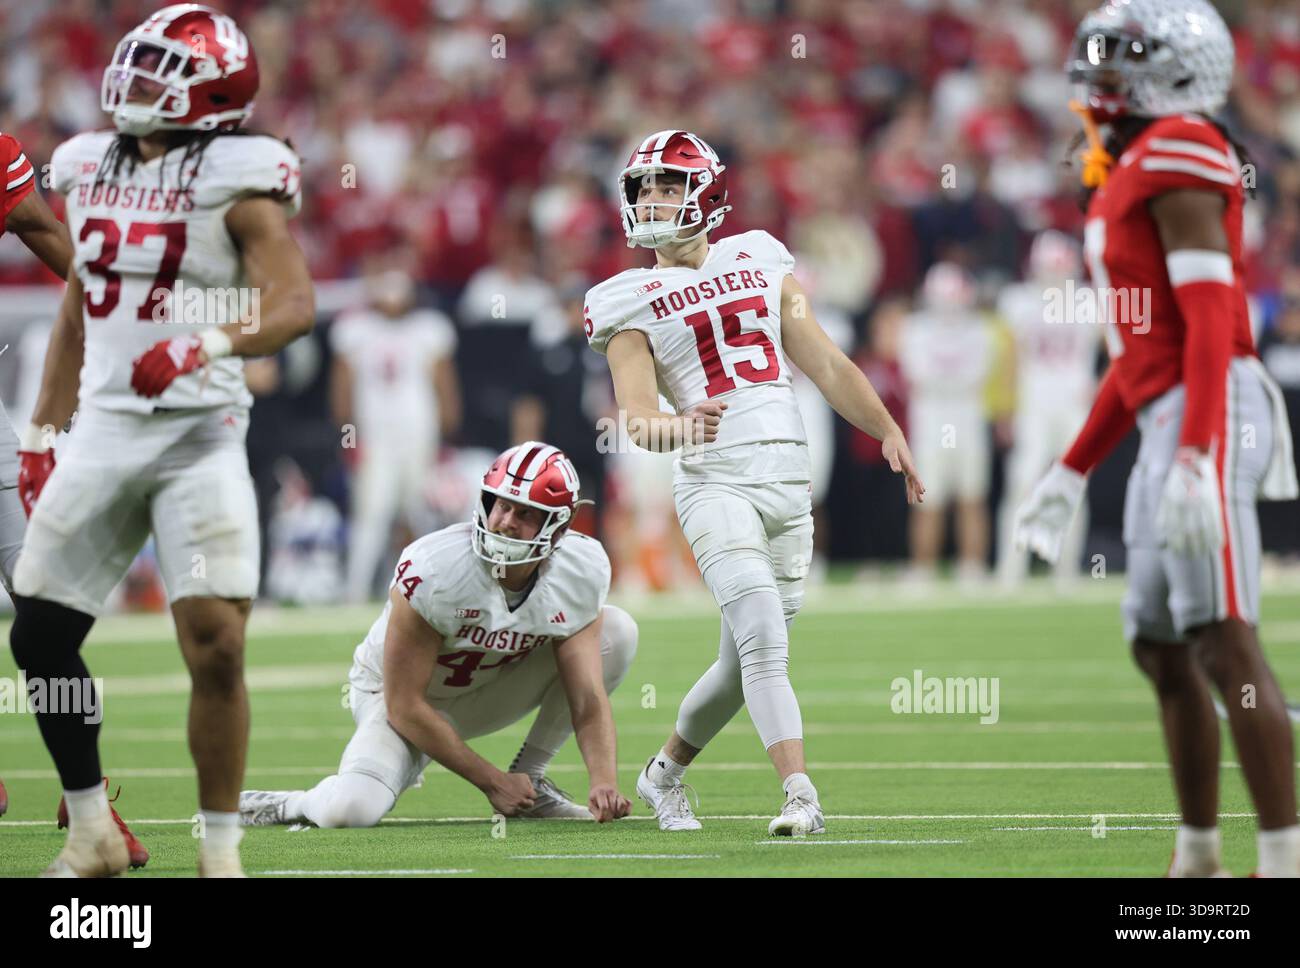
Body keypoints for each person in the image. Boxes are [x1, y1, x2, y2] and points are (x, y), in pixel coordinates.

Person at [9, 4, 315, 877]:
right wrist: (41, 429)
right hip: (104, 429)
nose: (135, 86)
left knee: (215, 640)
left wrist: (208, 341)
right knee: (36, 635)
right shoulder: (87, 164)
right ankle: (90, 828)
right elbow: (80, 305)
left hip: (198, 435)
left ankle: (221, 856)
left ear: (210, 94)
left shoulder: (240, 175)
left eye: (159, 73)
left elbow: (293, 303)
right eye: (135, 67)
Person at [1014, 0, 1299, 877]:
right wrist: (1071, 467)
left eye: (1122, 61)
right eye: (1097, 60)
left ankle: (1284, 860)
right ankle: (1199, 856)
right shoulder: (1127, 162)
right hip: (1168, 403)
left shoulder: (1180, 143)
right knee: (1158, 639)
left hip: (1210, 404)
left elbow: (1214, 314)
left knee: (1222, 632)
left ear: (1181, 70)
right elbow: (1141, 353)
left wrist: (1198, 452)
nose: (1098, 79)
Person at [587, 130, 922, 835]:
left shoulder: (759, 257)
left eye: (667, 185)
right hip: (715, 481)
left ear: (705, 193)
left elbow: (825, 362)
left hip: (786, 479)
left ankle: (664, 772)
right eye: (642, 186)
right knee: (765, 638)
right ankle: (801, 795)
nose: (651, 198)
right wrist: (682, 427)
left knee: (742, 666)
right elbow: (640, 418)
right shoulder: (625, 298)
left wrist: (886, 427)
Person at [240, 443, 636, 827]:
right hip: (400, 698)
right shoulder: (437, 567)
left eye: (526, 513)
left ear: (558, 527)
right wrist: (491, 780)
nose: (505, 522)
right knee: (352, 809)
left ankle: (532, 779)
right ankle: (292, 804)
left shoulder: (580, 568)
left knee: (617, 632)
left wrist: (603, 780)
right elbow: (404, 704)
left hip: (486, 685)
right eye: (502, 504)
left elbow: (586, 694)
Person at [330, 265, 460, 601]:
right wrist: (349, 437)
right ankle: (355, 590)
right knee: (371, 512)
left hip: (419, 436)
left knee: (421, 511)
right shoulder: (355, 329)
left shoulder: (429, 329)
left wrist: (446, 438)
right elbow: (342, 390)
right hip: (375, 438)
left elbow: (444, 387)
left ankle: (431, 587)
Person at [995, 230, 1099, 586]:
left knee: (1072, 485)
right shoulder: (1019, 301)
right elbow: (1008, 357)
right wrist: (1006, 407)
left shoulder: (1087, 299)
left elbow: (1121, 346)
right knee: (1022, 482)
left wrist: (1100, 388)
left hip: (1072, 406)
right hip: (1033, 406)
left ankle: (1065, 569)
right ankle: (1011, 568)